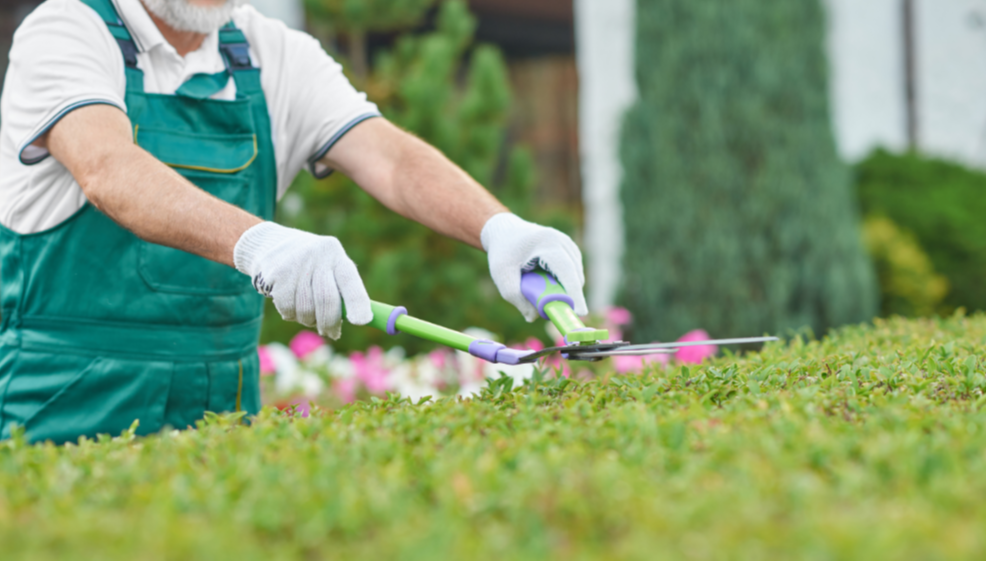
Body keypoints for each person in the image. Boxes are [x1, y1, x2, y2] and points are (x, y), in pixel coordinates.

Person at [0, 0, 588, 444]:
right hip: (64, 397)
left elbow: (389, 157)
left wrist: (498, 227)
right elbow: (109, 169)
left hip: (221, 405)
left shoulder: (269, 52)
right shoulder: (66, 31)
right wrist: (256, 243)